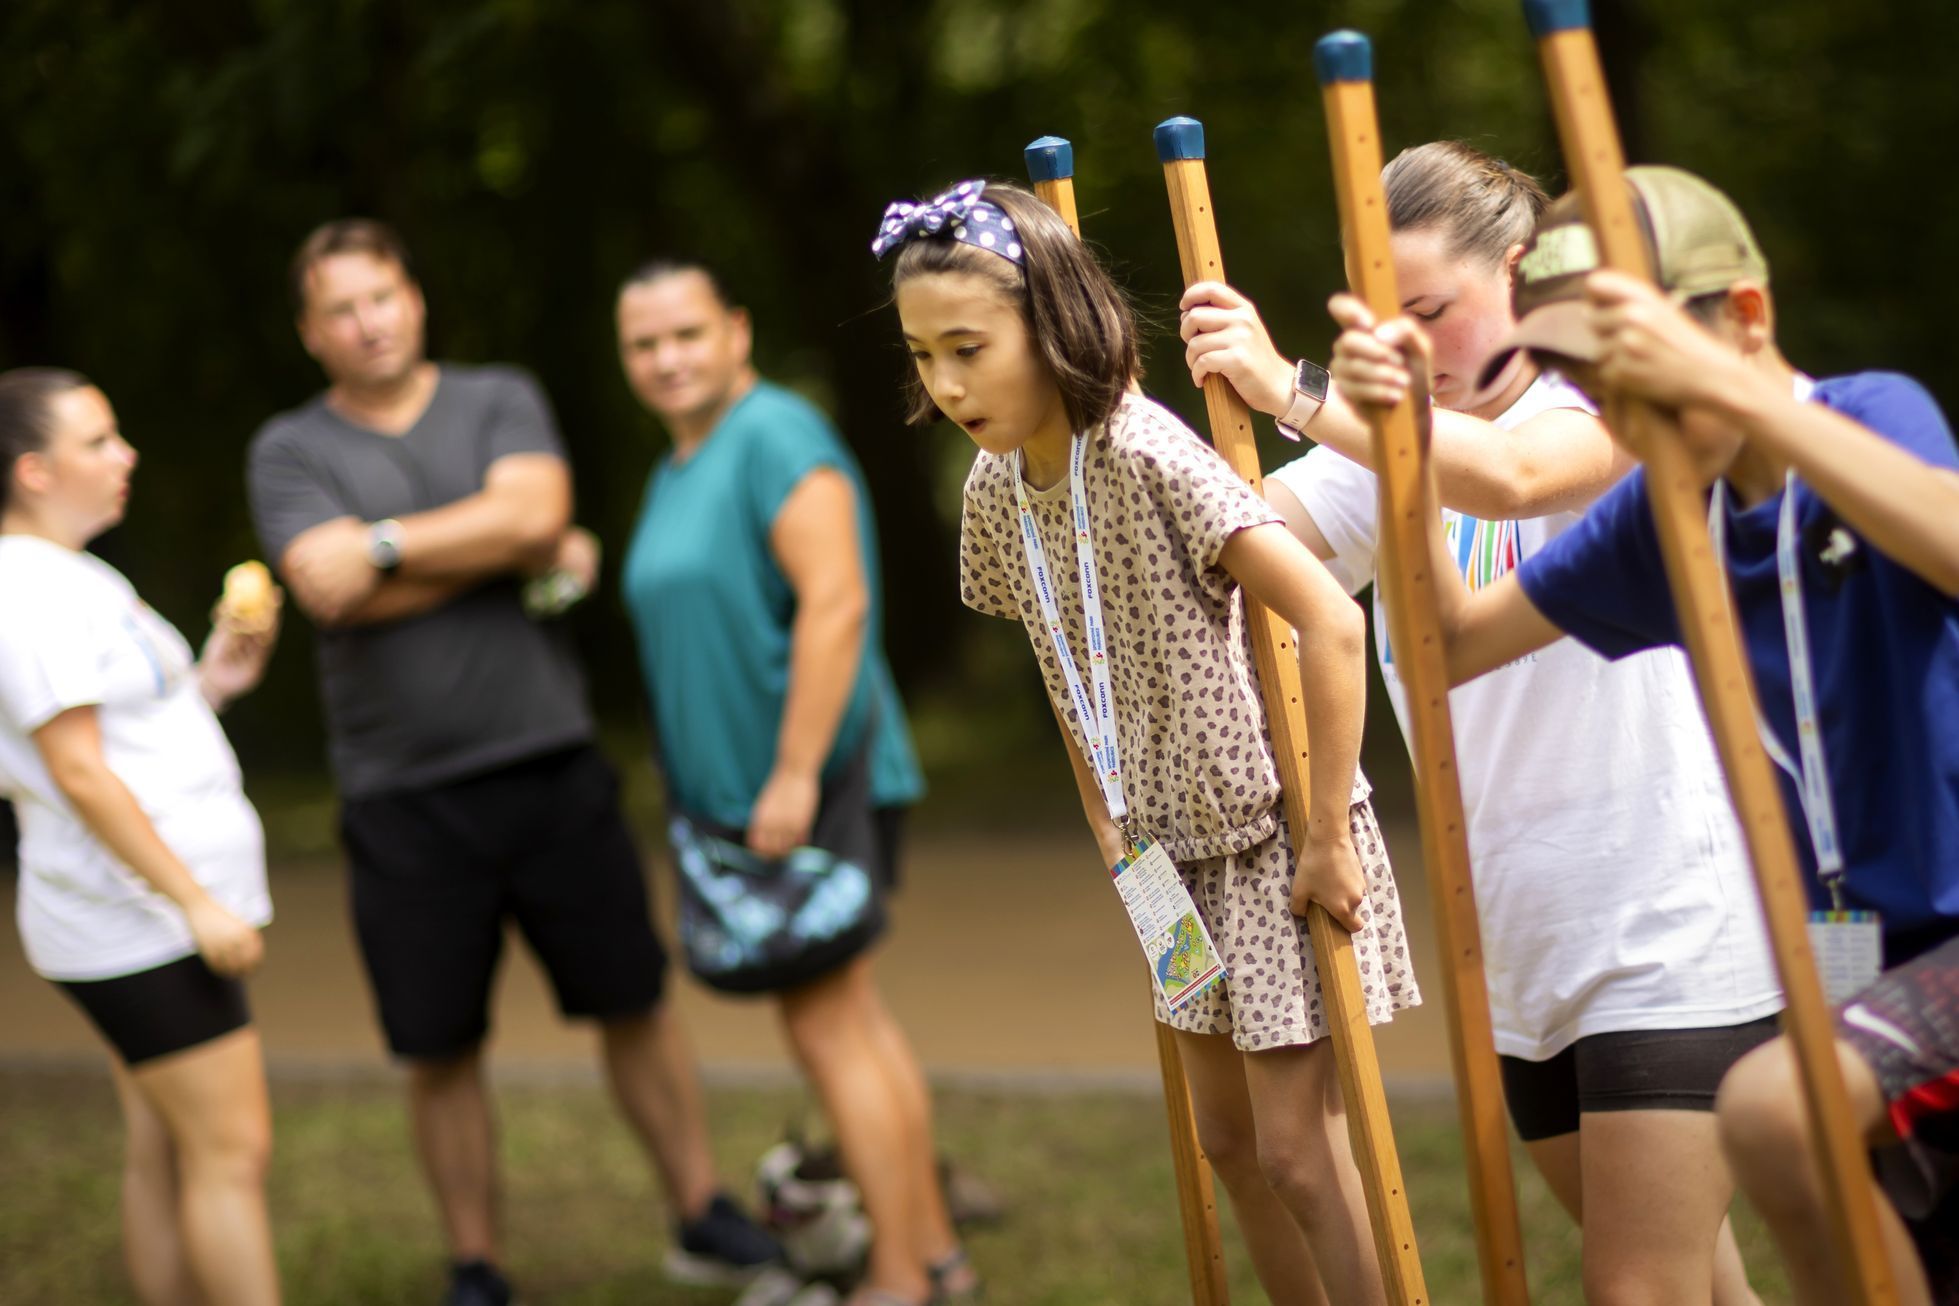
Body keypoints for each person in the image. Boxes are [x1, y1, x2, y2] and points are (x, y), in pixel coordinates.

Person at [1328, 163, 1959, 1306]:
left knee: (1776, 1111)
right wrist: (1405, 441)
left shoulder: (1869, 414)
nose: (1626, 424)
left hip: (1943, 931)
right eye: (1599, 392)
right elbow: (1447, 646)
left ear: (1749, 320)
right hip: (1850, 956)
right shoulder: (1663, 517)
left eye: (1648, 381)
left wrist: (1758, 405)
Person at [1179, 142, 1781, 1305]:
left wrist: (1299, 388)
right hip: (1521, 941)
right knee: (1703, 1288)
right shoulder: (1388, 445)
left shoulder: (1611, 401)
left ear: (1519, 275)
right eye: (1383, 324)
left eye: (1432, 313)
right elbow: (1225, 554)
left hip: (1671, 926)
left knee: (1636, 1289)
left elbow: (1509, 475)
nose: (1412, 350)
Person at [877, 179, 1419, 1306]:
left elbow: (1329, 617)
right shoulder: (992, 493)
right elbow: (1052, 649)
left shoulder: (1147, 450)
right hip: (1159, 857)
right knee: (1224, 1140)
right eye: (925, 355)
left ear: (1053, 321)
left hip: (1268, 834)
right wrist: (1104, 824)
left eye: (969, 347)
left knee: (1294, 1150)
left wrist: (1327, 835)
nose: (947, 382)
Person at [245, 220, 777, 1306]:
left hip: (550, 764)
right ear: (310, 334)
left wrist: (386, 543)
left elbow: (535, 514)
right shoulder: (289, 449)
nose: (368, 322)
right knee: (438, 1045)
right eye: (341, 310)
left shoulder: (498, 396)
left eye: (382, 296)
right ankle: (476, 1264)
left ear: (415, 299)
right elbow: (327, 588)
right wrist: (498, 548)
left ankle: (700, 1212)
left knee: (632, 998)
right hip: (401, 797)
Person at [614, 258, 976, 1306]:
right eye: (644, 344)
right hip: (735, 794)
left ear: (736, 330)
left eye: (687, 333)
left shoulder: (774, 435)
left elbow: (837, 606)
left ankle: (900, 1278)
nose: (667, 358)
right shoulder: (679, 464)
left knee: (828, 1027)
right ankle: (939, 1255)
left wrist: (791, 775)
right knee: (851, 1022)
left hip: (805, 785)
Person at [0, 368, 281, 1305]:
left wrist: (215, 682)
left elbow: (124, 736)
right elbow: (76, 772)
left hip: (143, 913)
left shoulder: (75, 575)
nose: (126, 456)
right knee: (231, 1155)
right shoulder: (27, 591)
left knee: (166, 1148)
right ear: (34, 470)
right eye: (99, 441)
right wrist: (195, 903)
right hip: (139, 923)